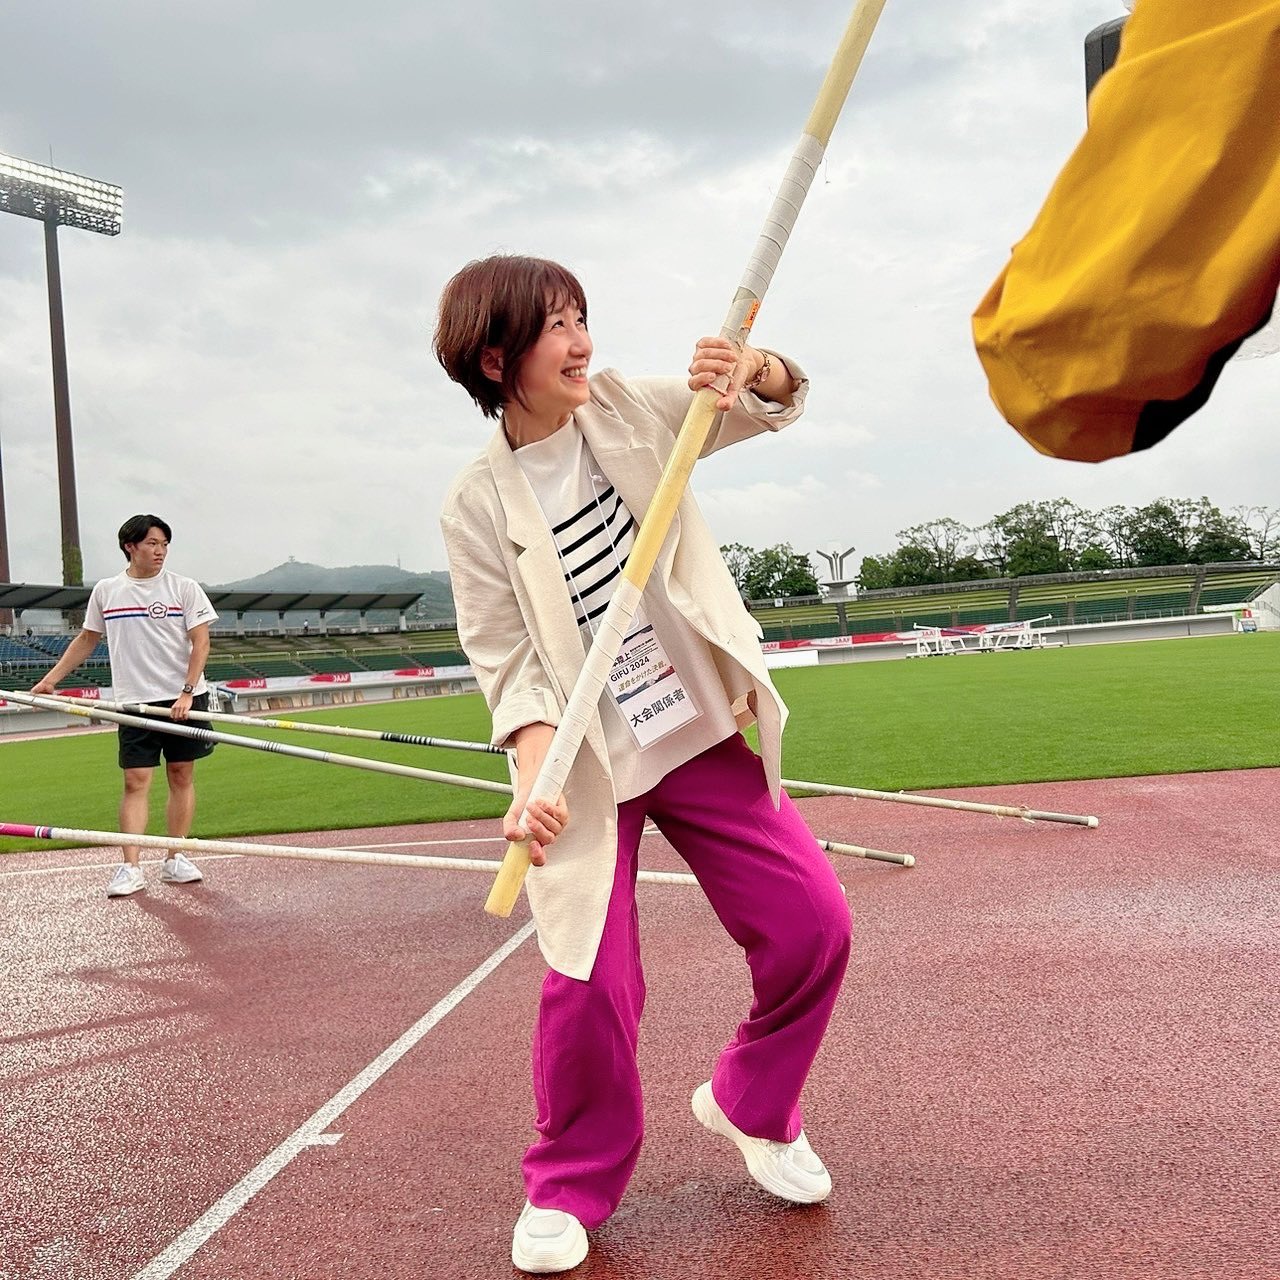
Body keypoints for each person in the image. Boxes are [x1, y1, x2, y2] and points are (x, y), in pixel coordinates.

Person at [435, 255, 852, 1274]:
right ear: (497, 358)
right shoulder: (473, 507)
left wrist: (750, 366)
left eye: (582, 318)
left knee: (813, 923)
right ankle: (566, 1180)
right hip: (587, 765)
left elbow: (759, 405)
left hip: (695, 728)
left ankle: (752, 1103)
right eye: (556, 327)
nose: (582, 342)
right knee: (587, 979)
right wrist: (532, 775)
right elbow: (510, 667)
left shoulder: (624, 409)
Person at [33, 514, 218, 898]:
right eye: (152, 543)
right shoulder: (107, 590)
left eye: (165, 544)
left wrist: (186, 692)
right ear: (130, 546)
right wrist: (52, 679)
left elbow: (201, 643)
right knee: (136, 780)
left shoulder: (184, 588)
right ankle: (130, 866)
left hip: (184, 698)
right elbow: (87, 639)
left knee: (181, 775)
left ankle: (175, 857)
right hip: (134, 701)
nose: (160, 551)